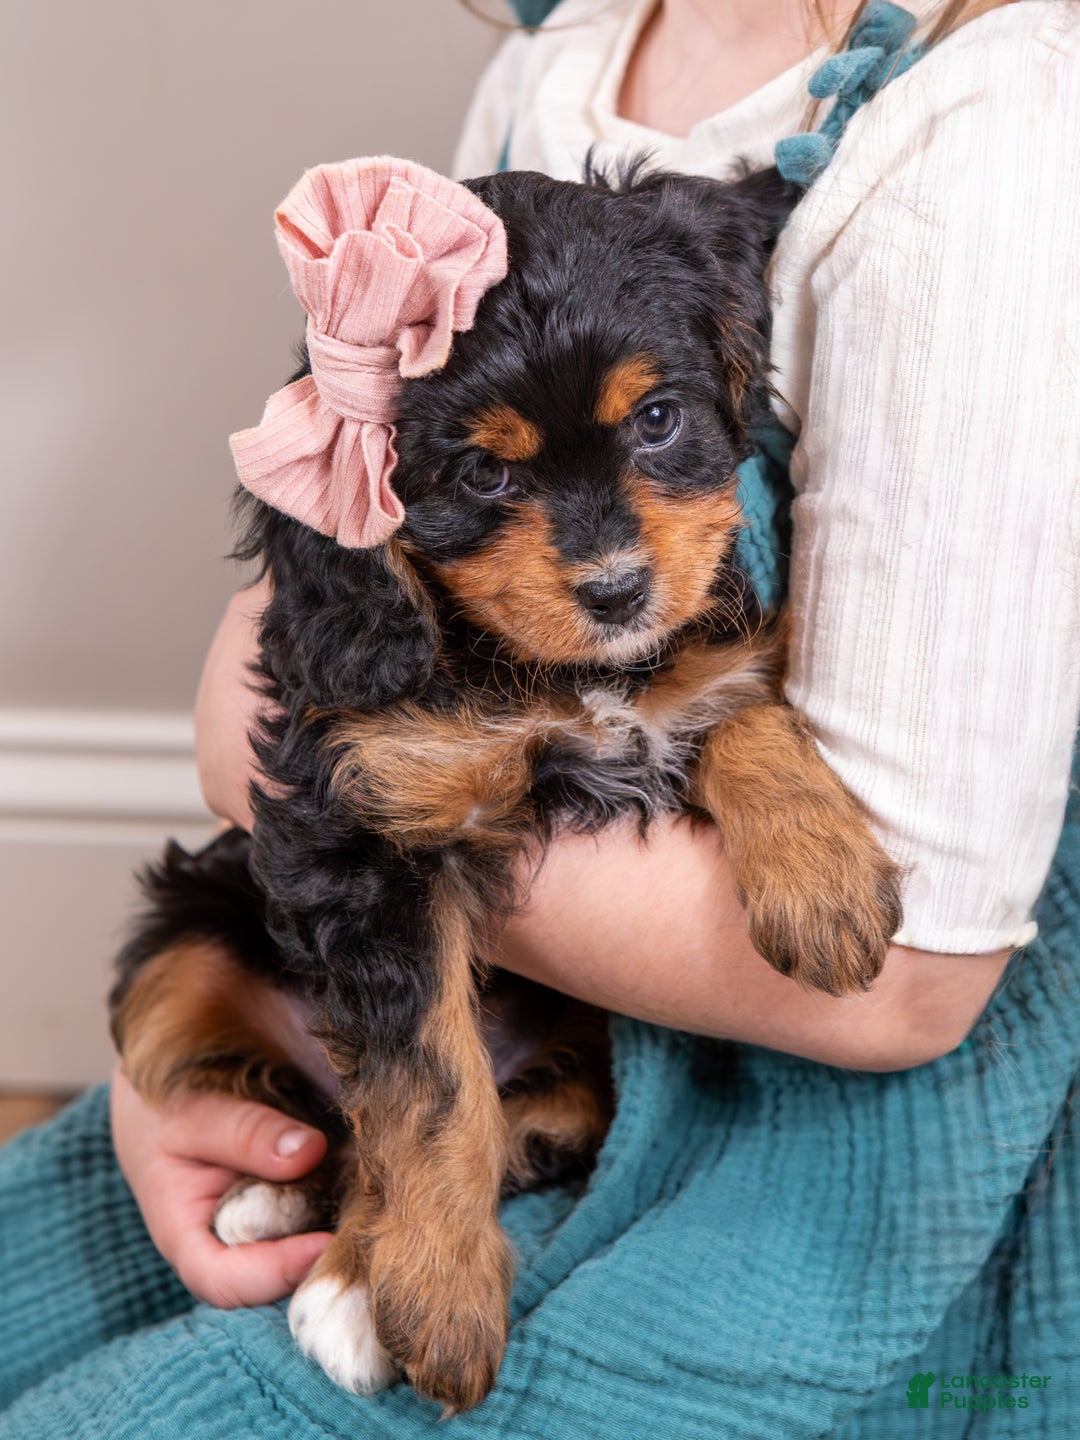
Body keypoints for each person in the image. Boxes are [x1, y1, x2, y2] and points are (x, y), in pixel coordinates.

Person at [3, 1, 1079, 1435]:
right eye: (497, 481)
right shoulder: (559, 58)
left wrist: (759, 766)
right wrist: (203, 1075)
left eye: (658, 428)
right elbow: (323, 758)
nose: (610, 559)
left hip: (756, 1132)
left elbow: (902, 978)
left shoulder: (991, 137)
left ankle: (489, 1159)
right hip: (393, 1010)